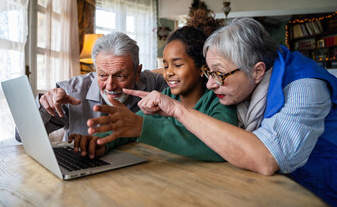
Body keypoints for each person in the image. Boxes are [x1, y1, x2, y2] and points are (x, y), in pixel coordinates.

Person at [92, 18, 337, 206]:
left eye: (218, 74)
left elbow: (267, 159)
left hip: (319, 194)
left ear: (258, 71)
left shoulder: (305, 87)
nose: (210, 84)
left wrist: (177, 110)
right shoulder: (248, 72)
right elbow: (168, 71)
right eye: (209, 73)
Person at [82, 26, 237, 160]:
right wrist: (98, 141)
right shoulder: (166, 97)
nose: (169, 73)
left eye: (177, 65)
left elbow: (223, 147)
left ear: (201, 67)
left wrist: (143, 127)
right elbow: (130, 125)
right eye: (165, 65)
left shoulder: (219, 100)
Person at [35, 32, 168, 150]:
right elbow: (22, 136)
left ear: (137, 72)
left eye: (120, 76)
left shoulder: (154, 84)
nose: (110, 86)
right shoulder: (70, 91)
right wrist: (44, 108)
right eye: (102, 75)